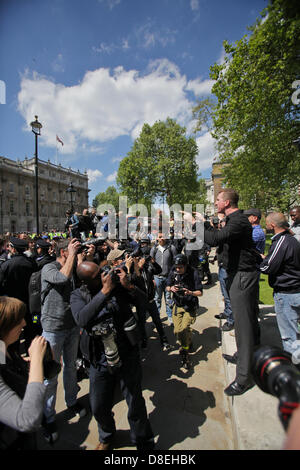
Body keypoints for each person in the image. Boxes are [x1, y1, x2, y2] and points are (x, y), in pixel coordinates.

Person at [70, 261, 155, 451]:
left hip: (127, 353)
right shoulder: (78, 295)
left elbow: (145, 301)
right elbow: (82, 319)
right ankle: (107, 435)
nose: (103, 276)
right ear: (86, 282)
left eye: (101, 271)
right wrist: (104, 292)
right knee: (99, 405)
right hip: (99, 358)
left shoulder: (118, 286)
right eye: (96, 276)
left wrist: (129, 286)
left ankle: (143, 439)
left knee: (134, 401)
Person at [200, 189, 260, 396]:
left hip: (242, 276)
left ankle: (243, 379)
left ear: (226, 202)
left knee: (243, 325)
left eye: (217, 200)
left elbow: (214, 239)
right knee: (247, 321)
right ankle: (245, 355)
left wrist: (198, 223)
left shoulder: (238, 220)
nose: (215, 203)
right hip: (239, 274)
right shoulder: (234, 220)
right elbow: (219, 236)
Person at [40, 238, 88, 443]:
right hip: (53, 328)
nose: (77, 254)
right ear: (63, 252)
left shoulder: (74, 265)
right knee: (50, 375)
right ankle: (48, 417)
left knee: (71, 368)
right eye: (73, 250)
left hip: (71, 326)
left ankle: (71, 401)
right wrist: (70, 255)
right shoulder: (48, 268)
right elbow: (62, 278)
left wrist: (84, 257)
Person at [0, 296, 47, 449]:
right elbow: (27, 420)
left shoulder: (6, 347)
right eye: (18, 321)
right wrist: (37, 360)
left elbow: (8, 371)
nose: (25, 323)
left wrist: (25, 365)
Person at [260, 212, 300, 356]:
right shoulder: (292, 240)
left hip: (286, 293)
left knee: (289, 335)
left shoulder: (281, 241)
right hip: (295, 290)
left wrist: (261, 262)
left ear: (272, 225)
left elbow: (268, 267)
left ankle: (293, 368)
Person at [132, 239, 171, 351]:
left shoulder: (147, 268)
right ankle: (144, 340)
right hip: (140, 303)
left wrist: (153, 262)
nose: (141, 259)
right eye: (138, 258)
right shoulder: (133, 271)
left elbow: (158, 270)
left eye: (141, 257)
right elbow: (133, 279)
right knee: (142, 323)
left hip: (150, 300)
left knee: (157, 321)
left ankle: (163, 339)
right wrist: (137, 266)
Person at [0, 237, 37, 351]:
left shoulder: (6, 265)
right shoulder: (31, 263)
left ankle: (14, 351)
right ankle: (29, 349)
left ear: (14, 249)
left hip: (12, 301)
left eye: (10, 247)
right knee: (29, 327)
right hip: (28, 300)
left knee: (12, 327)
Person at [166, 253, 202, 369]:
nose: (178, 269)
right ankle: (188, 341)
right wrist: (171, 288)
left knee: (184, 329)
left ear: (185, 266)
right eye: (176, 267)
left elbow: (200, 292)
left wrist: (189, 292)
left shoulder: (194, 273)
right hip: (177, 306)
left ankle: (185, 354)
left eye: (180, 267)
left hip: (189, 306)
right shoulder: (173, 272)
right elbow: (167, 286)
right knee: (177, 331)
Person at [150, 233, 177, 325]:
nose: (161, 239)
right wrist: (151, 278)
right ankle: (156, 318)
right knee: (157, 298)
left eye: (162, 237)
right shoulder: (154, 249)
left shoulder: (171, 248)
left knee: (168, 298)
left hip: (168, 278)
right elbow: (150, 264)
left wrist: (173, 276)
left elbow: (175, 262)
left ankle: (170, 316)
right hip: (157, 277)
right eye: (159, 237)